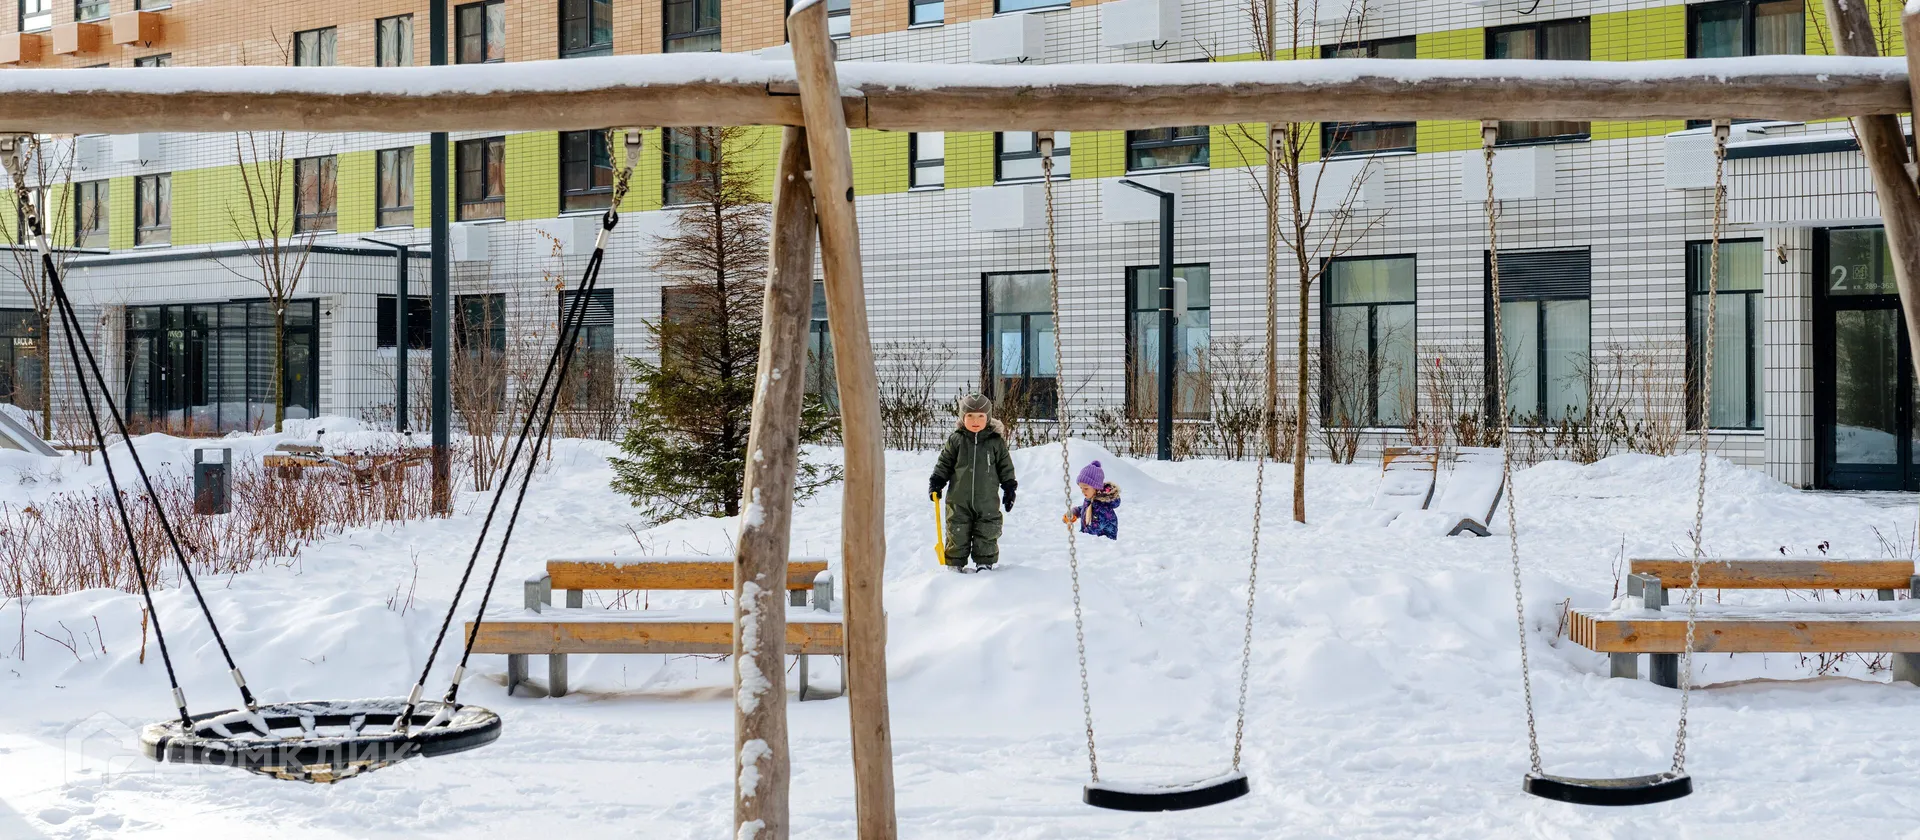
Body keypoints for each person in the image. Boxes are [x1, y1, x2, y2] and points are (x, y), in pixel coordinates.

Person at [929, 394, 1016, 572]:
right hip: (958, 499)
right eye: (970, 416)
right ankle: (955, 564)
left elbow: (1005, 466)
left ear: (988, 418)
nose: (975, 420)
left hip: (987, 500)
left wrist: (1009, 487)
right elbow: (944, 463)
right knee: (957, 529)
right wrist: (937, 482)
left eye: (980, 416)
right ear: (963, 417)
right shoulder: (956, 440)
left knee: (987, 529)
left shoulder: (996, 442)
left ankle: (984, 563)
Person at [1062, 460, 1120, 540]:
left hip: (1104, 546)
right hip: (1093, 544)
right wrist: (1074, 512)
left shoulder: (1102, 509)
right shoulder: (1092, 499)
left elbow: (1092, 530)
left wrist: (1080, 537)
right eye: (1081, 488)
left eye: (1085, 488)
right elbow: (1085, 509)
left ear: (1096, 488)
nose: (1082, 491)